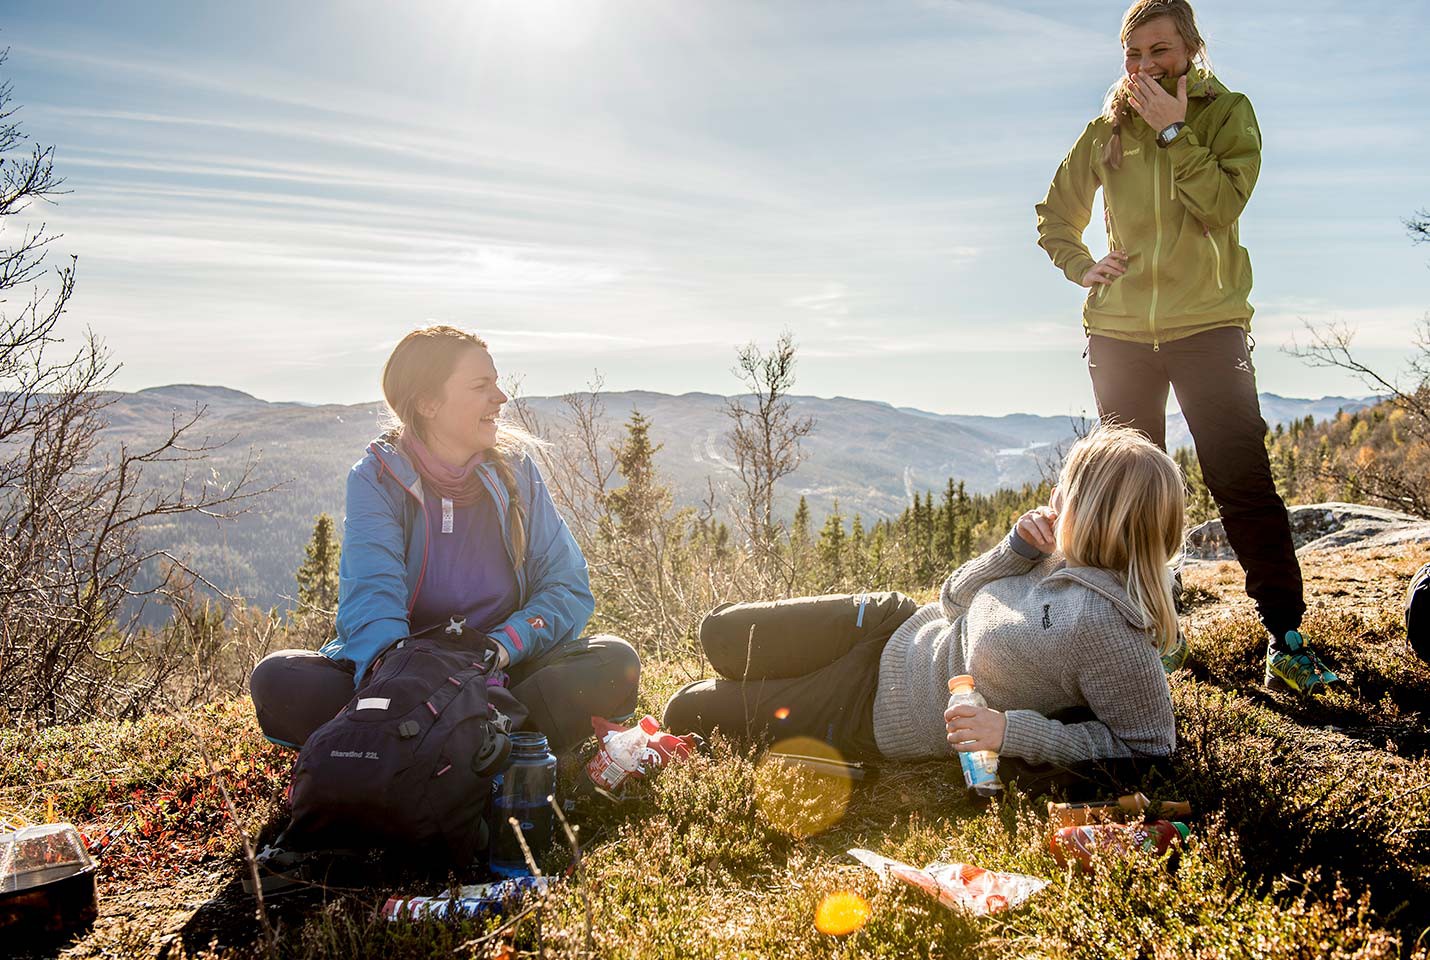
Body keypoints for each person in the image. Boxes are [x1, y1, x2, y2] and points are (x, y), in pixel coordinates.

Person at [1033, 0, 1336, 694]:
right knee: (1126, 494)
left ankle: (1286, 637)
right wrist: (1083, 266)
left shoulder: (1227, 114)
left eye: (1159, 51)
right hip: (1119, 335)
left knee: (1240, 479)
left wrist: (1175, 132)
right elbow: (1056, 213)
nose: (1145, 67)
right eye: (1133, 55)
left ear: (1193, 48)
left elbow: (1223, 206)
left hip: (1208, 326)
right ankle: (1143, 632)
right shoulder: (1106, 129)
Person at [663, 427, 1180, 775]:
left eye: (1064, 486)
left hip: (876, 709)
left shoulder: (1105, 626)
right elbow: (952, 599)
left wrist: (1008, 731)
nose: (1053, 493)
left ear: (1093, 509)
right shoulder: (1054, 553)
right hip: (894, 625)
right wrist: (1014, 550)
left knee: (684, 710)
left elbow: (1149, 747)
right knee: (719, 633)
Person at [250, 325, 640, 754]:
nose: (501, 397)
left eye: (496, 382)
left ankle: (411, 742)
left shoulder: (518, 472)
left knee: (613, 662)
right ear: (427, 403)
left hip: (501, 666)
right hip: (401, 673)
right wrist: (410, 679)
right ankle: (486, 738)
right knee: (279, 679)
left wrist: (502, 647)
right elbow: (371, 598)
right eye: (481, 386)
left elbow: (567, 586)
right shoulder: (377, 478)